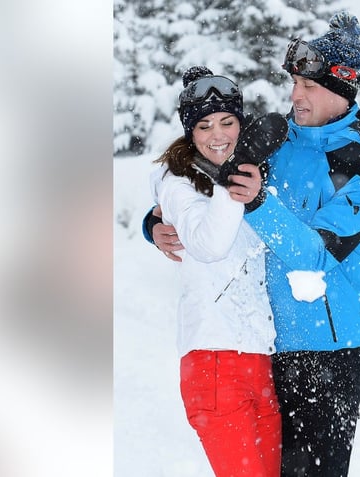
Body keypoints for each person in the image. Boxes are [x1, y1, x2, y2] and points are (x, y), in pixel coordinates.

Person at [146, 12, 360, 476]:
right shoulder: (274, 136)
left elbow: (316, 254)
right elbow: (204, 174)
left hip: (328, 357)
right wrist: (154, 222)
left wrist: (257, 201)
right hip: (266, 349)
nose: (295, 95)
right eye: (294, 82)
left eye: (309, 87)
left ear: (342, 91)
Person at [150, 65, 285, 477]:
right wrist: (236, 174)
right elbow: (208, 244)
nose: (218, 135)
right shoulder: (177, 183)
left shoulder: (255, 174)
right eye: (205, 126)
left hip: (262, 362)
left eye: (228, 122)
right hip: (213, 364)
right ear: (190, 133)